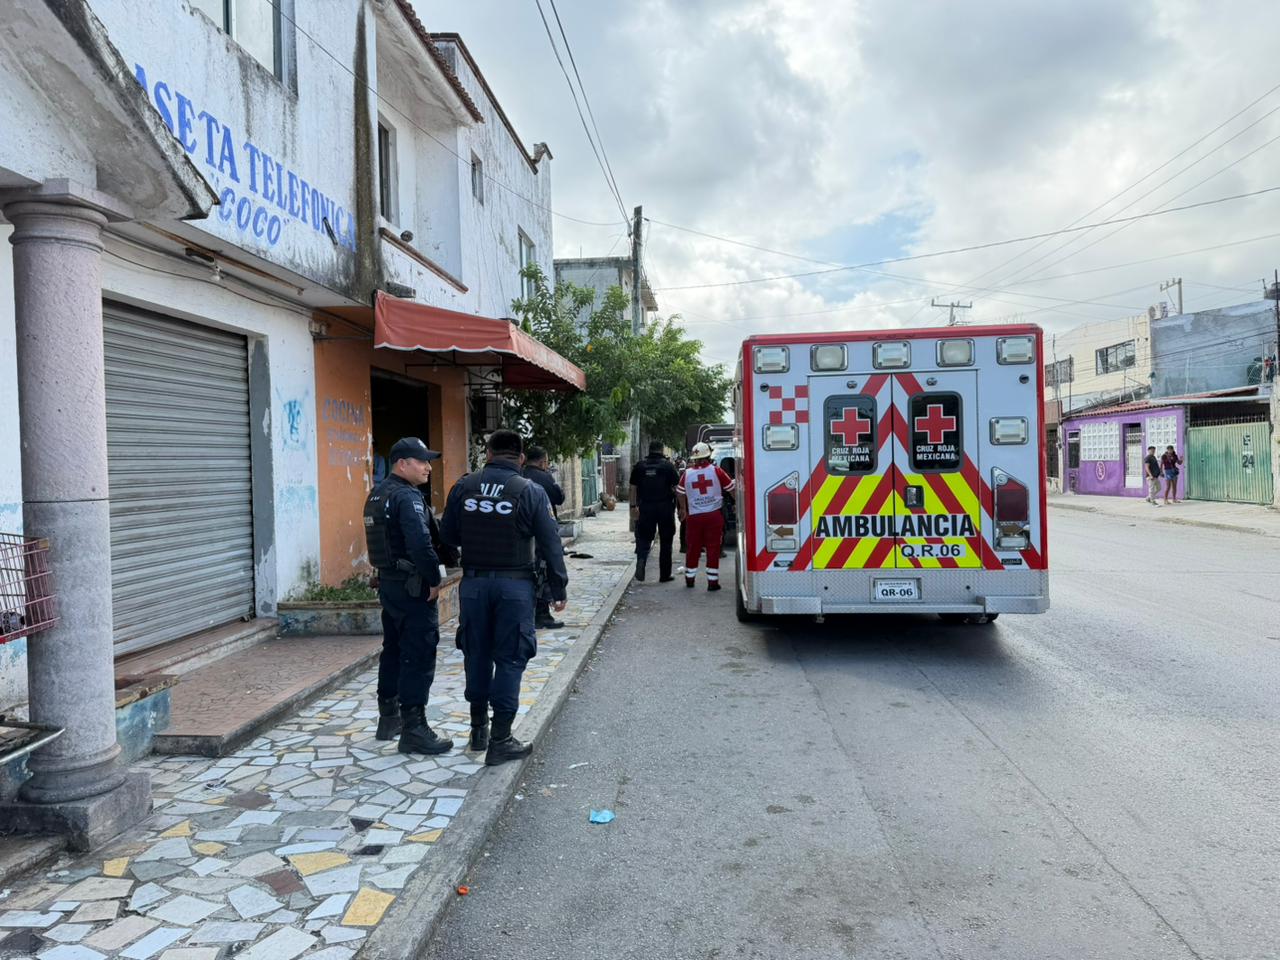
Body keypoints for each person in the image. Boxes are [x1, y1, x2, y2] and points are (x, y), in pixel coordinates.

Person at [441, 430, 569, 766]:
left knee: (476, 652)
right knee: (511, 657)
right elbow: (550, 542)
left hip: (473, 586)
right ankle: (501, 740)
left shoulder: (464, 486)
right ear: (521, 458)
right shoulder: (530, 491)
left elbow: (448, 535)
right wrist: (558, 589)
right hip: (514, 587)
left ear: (487, 454)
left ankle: (478, 730)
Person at [362, 437, 450, 755]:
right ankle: (414, 728)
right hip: (412, 587)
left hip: (390, 584)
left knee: (394, 649)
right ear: (403, 464)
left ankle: (389, 717)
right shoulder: (407, 497)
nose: (428, 467)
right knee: (419, 652)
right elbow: (420, 543)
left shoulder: (377, 494)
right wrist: (434, 577)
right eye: (422, 461)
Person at [676, 442, 736, 591]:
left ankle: (690, 579)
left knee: (693, 548)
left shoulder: (687, 473)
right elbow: (731, 489)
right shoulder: (716, 471)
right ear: (708, 456)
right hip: (713, 515)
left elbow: (680, 492)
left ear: (694, 458)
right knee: (713, 548)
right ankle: (712, 582)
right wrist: (736, 503)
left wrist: (683, 509)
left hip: (694, 517)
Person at [523, 445, 566, 629]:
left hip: (522, 537)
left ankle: (530, 612)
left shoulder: (519, 475)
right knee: (544, 573)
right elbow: (559, 497)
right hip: (542, 534)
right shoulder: (544, 478)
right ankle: (542, 614)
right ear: (543, 462)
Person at [629, 440, 679, 582]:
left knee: (644, 538)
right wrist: (682, 508)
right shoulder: (668, 467)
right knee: (666, 541)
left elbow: (633, 488)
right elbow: (677, 489)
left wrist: (633, 507)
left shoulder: (639, 467)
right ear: (662, 451)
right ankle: (664, 575)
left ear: (649, 451)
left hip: (645, 507)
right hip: (665, 508)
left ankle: (642, 560)